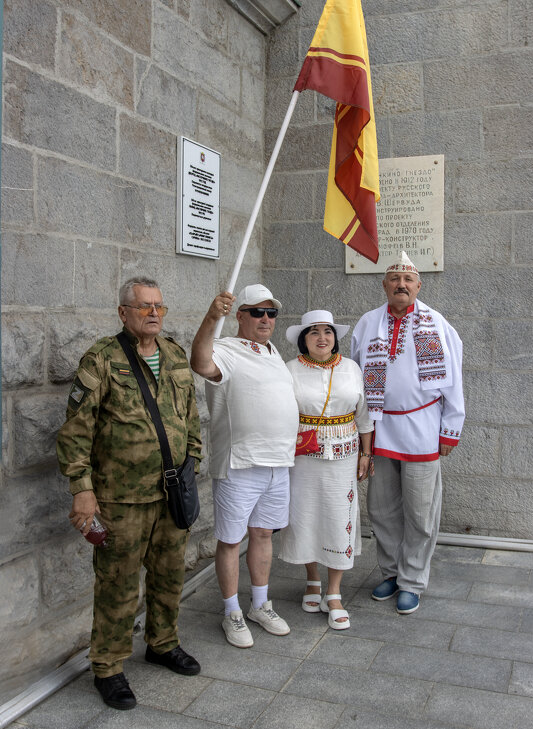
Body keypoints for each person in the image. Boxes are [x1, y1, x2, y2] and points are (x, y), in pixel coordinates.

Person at [57, 276, 202, 711]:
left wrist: (192, 459)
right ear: (124, 313)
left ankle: (162, 643)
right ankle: (108, 667)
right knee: (118, 584)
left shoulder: (175, 354)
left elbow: (190, 416)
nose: (153, 313)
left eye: (159, 306)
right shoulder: (101, 359)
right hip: (121, 498)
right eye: (143, 307)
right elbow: (74, 433)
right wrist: (82, 490)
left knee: (169, 575)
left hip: (171, 492)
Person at [351, 251, 465, 614]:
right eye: (394, 280)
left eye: (408, 280)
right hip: (380, 429)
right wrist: (358, 431)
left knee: (420, 511)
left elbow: (455, 379)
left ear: (419, 285)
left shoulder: (438, 323)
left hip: (423, 429)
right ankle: (391, 572)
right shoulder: (368, 323)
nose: (401, 285)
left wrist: (450, 429)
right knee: (382, 509)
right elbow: (354, 375)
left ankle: (413, 580)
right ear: (384, 285)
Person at [190, 284, 300, 648]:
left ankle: (259, 604)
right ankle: (231, 611)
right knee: (230, 540)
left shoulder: (271, 353)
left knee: (264, 535)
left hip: (277, 465)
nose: (265, 319)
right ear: (240, 316)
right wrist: (211, 317)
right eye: (257, 312)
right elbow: (200, 363)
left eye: (271, 313)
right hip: (240, 465)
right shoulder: (226, 348)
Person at [279, 311, 374, 630]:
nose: (322, 338)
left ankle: (333, 592)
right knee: (305, 514)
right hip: (303, 457)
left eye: (327, 332)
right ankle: (312, 580)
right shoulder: (289, 370)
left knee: (339, 517)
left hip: (345, 456)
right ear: (303, 340)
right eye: (314, 332)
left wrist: (367, 452)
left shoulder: (351, 369)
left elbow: (364, 416)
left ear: (335, 337)